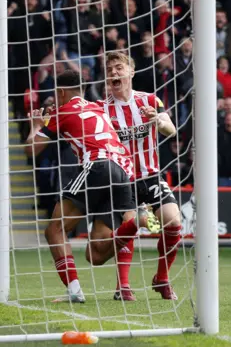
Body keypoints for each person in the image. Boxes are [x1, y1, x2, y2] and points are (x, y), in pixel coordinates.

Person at [24, 70, 145, 303]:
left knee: (54, 230)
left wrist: (35, 125)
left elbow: (31, 149)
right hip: (123, 171)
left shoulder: (64, 110)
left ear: (60, 92)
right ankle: (134, 224)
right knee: (96, 254)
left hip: (98, 166)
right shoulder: (97, 107)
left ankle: (74, 292)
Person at [100, 52, 181, 301]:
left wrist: (156, 119)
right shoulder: (102, 109)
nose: (114, 72)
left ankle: (162, 279)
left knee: (174, 223)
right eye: (110, 69)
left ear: (131, 72)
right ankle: (122, 287)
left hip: (151, 176)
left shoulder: (149, 100)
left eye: (119, 67)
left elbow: (171, 129)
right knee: (131, 224)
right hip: (122, 179)